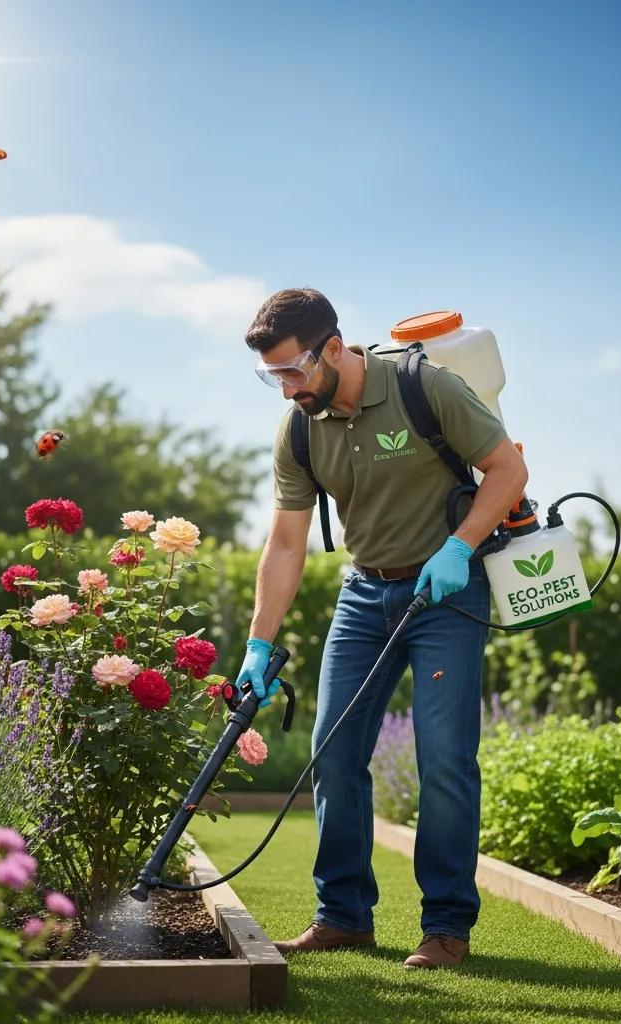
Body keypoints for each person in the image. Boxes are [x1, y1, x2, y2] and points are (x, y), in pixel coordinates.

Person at [237, 288, 528, 970]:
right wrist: (256, 643)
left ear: (333, 347)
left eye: (293, 371)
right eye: (271, 377)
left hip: (446, 594)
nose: (286, 390)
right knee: (332, 751)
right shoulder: (301, 429)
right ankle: (343, 916)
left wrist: (459, 546)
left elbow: (508, 470)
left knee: (443, 760)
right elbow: (285, 544)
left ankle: (447, 927)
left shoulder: (424, 388)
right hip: (364, 596)